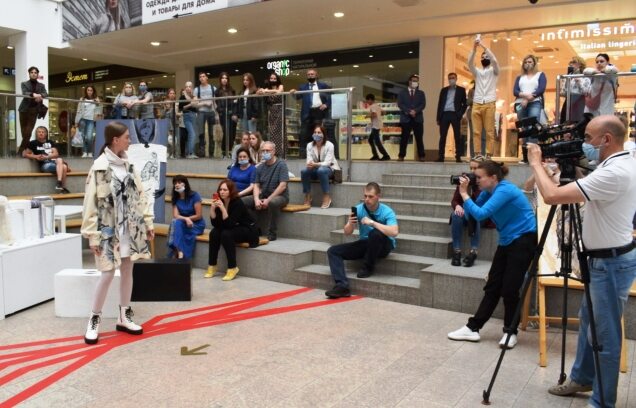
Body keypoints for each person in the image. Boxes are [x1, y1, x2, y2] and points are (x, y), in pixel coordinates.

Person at [527, 115, 636, 408]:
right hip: (605, 260)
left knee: (606, 336)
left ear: (607, 140)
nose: (583, 143)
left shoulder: (613, 173)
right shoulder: (626, 157)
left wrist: (536, 162)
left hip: (610, 264)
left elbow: (551, 196)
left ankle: (602, 402)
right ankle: (583, 377)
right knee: (590, 321)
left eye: (588, 138)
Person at [447, 160, 537, 349]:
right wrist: (467, 193)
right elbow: (473, 211)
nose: (476, 180)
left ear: (493, 177)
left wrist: (464, 194)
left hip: (523, 240)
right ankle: (473, 328)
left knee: (510, 288)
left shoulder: (505, 190)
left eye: (479, 177)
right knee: (493, 285)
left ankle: (510, 332)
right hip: (507, 240)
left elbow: (481, 215)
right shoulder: (489, 191)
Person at [80, 121, 154, 345]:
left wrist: (148, 222)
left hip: (129, 230)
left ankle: (124, 315)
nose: (130, 140)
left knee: (128, 269)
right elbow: (89, 203)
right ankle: (94, 319)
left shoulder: (129, 166)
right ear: (115, 140)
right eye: (126, 137)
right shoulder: (99, 167)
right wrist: (92, 234)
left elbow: (141, 196)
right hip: (106, 231)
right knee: (107, 274)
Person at [325, 182, 399, 298]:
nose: (367, 199)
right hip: (366, 244)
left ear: (378, 196)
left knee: (375, 234)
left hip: (384, 245)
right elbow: (347, 232)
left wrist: (373, 223)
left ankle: (368, 268)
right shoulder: (359, 209)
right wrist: (350, 223)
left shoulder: (387, 211)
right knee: (333, 251)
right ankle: (342, 286)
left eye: (370, 196)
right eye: (365, 196)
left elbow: (394, 232)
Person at [206, 179, 260, 281]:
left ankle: (232, 267)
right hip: (233, 227)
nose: (222, 192)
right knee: (214, 233)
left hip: (248, 229)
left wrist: (222, 209)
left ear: (231, 191)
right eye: (220, 189)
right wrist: (213, 209)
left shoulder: (237, 202)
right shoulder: (220, 201)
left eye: (225, 190)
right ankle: (212, 265)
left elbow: (229, 224)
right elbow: (215, 224)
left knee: (226, 234)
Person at [242, 141, 289, 241]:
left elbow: (282, 186)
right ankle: (255, 227)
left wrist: (268, 200)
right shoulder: (260, 167)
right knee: (242, 202)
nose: (265, 153)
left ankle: (272, 233)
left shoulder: (281, 165)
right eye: (263, 151)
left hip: (280, 196)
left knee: (272, 202)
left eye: (267, 150)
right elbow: (256, 185)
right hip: (263, 195)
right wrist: (256, 199)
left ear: (274, 151)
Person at [449, 155, 485, 267]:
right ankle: (457, 251)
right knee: (455, 214)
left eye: (475, 168)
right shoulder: (465, 179)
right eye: (471, 168)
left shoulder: (484, 182)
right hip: (465, 214)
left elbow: (480, 204)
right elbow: (454, 200)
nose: (472, 171)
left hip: (481, 215)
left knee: (474, 214)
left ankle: (473, 251)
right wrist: (457, 206)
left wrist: (474, 186)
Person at [468, 37, 500, 158]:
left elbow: (495, 60)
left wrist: (484, 47)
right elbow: (470, 63)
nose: (484, 58)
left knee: (489, 131)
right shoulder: (477, 72)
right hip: (477, 103)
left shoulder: (494, 71)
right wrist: (474, 48)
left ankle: (488, 154)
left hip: (489, 103)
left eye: (486, 56)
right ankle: (477, 153)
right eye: (482, 57)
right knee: (476, 131)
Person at [290, 69, 331, 159]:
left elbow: (330, 96)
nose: (310, 75)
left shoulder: (323, 86)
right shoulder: (303, 87)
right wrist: (293, 93)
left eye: (312, 74)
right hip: (306, 113)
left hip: (319, 112)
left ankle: (319, 155)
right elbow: (298, 97)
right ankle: (303, 156)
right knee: (304, 135)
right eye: (308, 74)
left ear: (316, 75)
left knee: (318, 134)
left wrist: (326, 104)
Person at [514, 55, 547, 163]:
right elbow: (515, 91)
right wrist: (525, 96)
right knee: (524, 130)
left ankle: (533, 157)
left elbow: (541, 89)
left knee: (533, 129)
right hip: (520, 104)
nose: (528, 64)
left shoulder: (540, 75)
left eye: (530, 62)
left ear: (534, 63)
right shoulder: (520, 77)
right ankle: (525, 157)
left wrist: (527, 99)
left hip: (535, 103)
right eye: (526, 62)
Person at [167, 175, 206, 260]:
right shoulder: (175, 198)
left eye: (179, 182)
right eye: (175, 183)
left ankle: (177, 251)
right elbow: (176, 215)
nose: (177, 185)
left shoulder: (195, 195)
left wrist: (189, 219)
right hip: (183, 223)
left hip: (196, 224)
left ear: (185, 184)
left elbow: (199, 215)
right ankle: (180, 252)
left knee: (176, 225)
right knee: (176, 222)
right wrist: (186, 219)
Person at [22, 126, 70, 193]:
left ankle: (59, 184)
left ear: (46, 134)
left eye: (43, 132)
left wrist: (47, 157)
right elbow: (25, 154)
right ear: (36, 133)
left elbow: (56, 154)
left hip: (54, 162)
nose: (41, 133)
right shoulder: (33, 143)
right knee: (64, 167)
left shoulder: (50, 142)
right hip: (45, 165)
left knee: (59, 160)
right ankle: (63, 187)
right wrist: (36, 156)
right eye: (39, 132)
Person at [301, 125, 339, 209]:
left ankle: (326, 196)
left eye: (319, 132)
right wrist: (310, 164)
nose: (316, 134)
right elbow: (309, 160)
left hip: (329, 170)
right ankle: (308, 195)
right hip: (316, 169)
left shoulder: (330, 145)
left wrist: (315, 164)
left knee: (321, 170)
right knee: (304, 171)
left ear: (323, 134)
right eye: (315, 132)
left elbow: (328, 163)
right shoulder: (309, 145)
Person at [436, 72, 468, 163]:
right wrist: (438, 118)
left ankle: (458, 157)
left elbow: (465, 103)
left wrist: (460, 113)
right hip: (444, 115)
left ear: (456, 79)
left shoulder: (461, 90)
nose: (451, 79)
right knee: (442, 136)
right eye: (450, 78)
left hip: (455, 115)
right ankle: (441, 156)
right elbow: (440, 104)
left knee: (457, 136)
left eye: (453, 78)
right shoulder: (444, 90)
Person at [18, 66, 48, 154]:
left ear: (37, 74)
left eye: (35, 73)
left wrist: (40, 96)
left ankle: (20, 151)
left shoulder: (41, 85)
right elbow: (25, 93)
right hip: (23, 110)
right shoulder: (24, 83)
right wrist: (33, 94)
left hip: (34, 110)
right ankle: (26, 150)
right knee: (24, 132)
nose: (34, 74)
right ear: (29, 74)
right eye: (32, 72)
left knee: (28, 132)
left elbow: (45, 93)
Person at [397, 74, 426, 161]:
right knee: (404, 138)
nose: (415, 82)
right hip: (406, 119)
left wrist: (415, 111)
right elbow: (400, 104)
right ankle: (401, 156)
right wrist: (409, 111)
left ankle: (421, 156)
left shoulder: (421, 93)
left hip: (418, 118)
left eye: (416, 81)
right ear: (409, 82)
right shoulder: (402, 93)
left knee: (419, 138)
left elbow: (423, 104)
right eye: (413, 81)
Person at [583, 53, 619, 117]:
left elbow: (614, 69)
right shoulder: (594, 74)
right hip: (592, 110)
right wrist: (595, 71)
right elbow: (585, 71)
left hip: (607, 109)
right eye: (597, 62)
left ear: (607, 62)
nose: (599, 63)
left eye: (602, 61)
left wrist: (604, 70)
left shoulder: (612, 74)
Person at [259, 72, 286, 157]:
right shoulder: (267, 88)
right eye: (271, 78)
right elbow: (259, 93)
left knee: (279, 131)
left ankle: (281, 152)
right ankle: (272, 151)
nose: (273, 80)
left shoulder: (280, 86)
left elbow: (279, 91)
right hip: (271, 112)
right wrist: (262, 91)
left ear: (277, 79)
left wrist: (267, 91)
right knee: (272, 132)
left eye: (274, 78)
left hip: (279, 111)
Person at [559, 56, 590, 124]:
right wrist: (566, 80)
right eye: (571, 62)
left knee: (578, 122)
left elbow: (585, 92)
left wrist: (578, 82)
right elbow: (564, 92)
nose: (571, 64)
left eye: (574, 62)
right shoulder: (569, 76)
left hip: (580, 101)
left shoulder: (585, 76)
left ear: (580, 64)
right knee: (564, 121)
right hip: (568, 100)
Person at [75, 85, 102, 158]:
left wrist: (98, 103)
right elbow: (78, 110)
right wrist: (76, 121)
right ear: (86, 91)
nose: (89, 92)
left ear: (93, 91)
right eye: (88, 90)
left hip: (91, 120)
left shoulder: (96, 99)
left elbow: (99, 109)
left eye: (91, 90)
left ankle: (90, 151)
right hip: (82, 119)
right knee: (83, 136)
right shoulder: (82, 99)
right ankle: (84, 151)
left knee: (89, 137)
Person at [193, 72, 217, 157]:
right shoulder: (196, 89)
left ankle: (211, 153)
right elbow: (195, 103)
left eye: (203, 76)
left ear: (207, 78)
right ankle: (202, 152)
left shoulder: (213, 88)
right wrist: (205, 103)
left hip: (211, 112)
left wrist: (216, 113)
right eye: (200, 77)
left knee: (211, 133)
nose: (202, 78)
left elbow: (215, 102)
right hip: (201, 112)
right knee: (201, 132)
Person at [216, 72, 237, 157]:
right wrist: (218, 112)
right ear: (220, 80)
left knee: (232, 132)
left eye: (226, 78)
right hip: (222, 115)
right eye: (222, 78)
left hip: (231, 114)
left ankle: (230, 150)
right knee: (225, 132)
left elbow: (235, 103)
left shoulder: (232, 90)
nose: (224, 80)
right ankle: (224, 151)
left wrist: (234, 113)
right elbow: (216, 104)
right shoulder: (217, 91)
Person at [365, 94, 390, 161]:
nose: (367, 102)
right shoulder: (377, 106)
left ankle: (386, 155)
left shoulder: (373, 106)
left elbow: (374, 114)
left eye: (367, 100)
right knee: (370, 140)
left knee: (377, 142)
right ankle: (375, 155)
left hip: (375, 126)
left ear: (370, 99)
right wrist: (379, 115)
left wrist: (368, 116)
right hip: (377, 125)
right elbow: (384, 112)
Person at [178, 81, 198, 159]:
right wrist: (190, 104)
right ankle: (190, 153)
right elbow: (181, 108)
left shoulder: (193, 96)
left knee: (192, 135)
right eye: (186, 86)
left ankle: (190, 152)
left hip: (194, 116)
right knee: (192, 134)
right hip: (187, 116)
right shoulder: (182, 97)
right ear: (185, 88)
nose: (188, 88)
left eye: (190, 86)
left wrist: (191, 103)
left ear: (192, 88)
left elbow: (196, 105)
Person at [163, 88, 177, 158]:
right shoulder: (164, 111)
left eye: (168, 104)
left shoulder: (172, 110)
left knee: (172, 141)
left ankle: (173, 153)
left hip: (171, 127)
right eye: (166, 104)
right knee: (167, 142)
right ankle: (168, 153)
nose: (167, 105)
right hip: (166, 128)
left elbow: (173, 118)